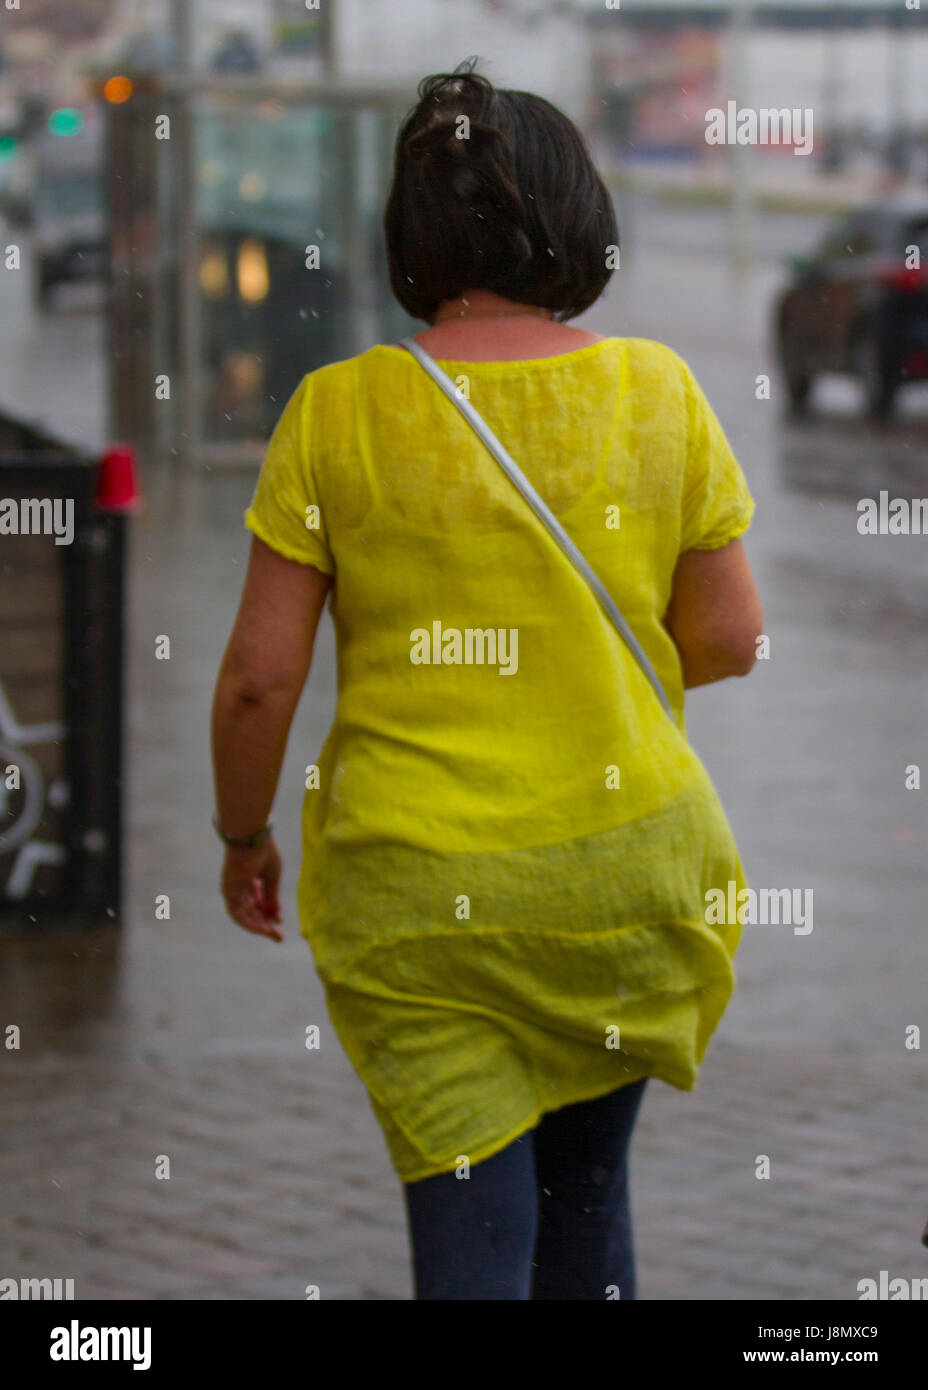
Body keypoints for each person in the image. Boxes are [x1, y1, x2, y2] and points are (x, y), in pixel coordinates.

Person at [210, 59, 763, 1301]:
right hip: (620, 877)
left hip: (416, 889)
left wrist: (243, 832)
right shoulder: (657, 391)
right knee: (589, 1205)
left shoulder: (336, 413)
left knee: (470, 1234)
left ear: (412, 230)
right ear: (577, 218)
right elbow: (729, 637)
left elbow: (258, 680)